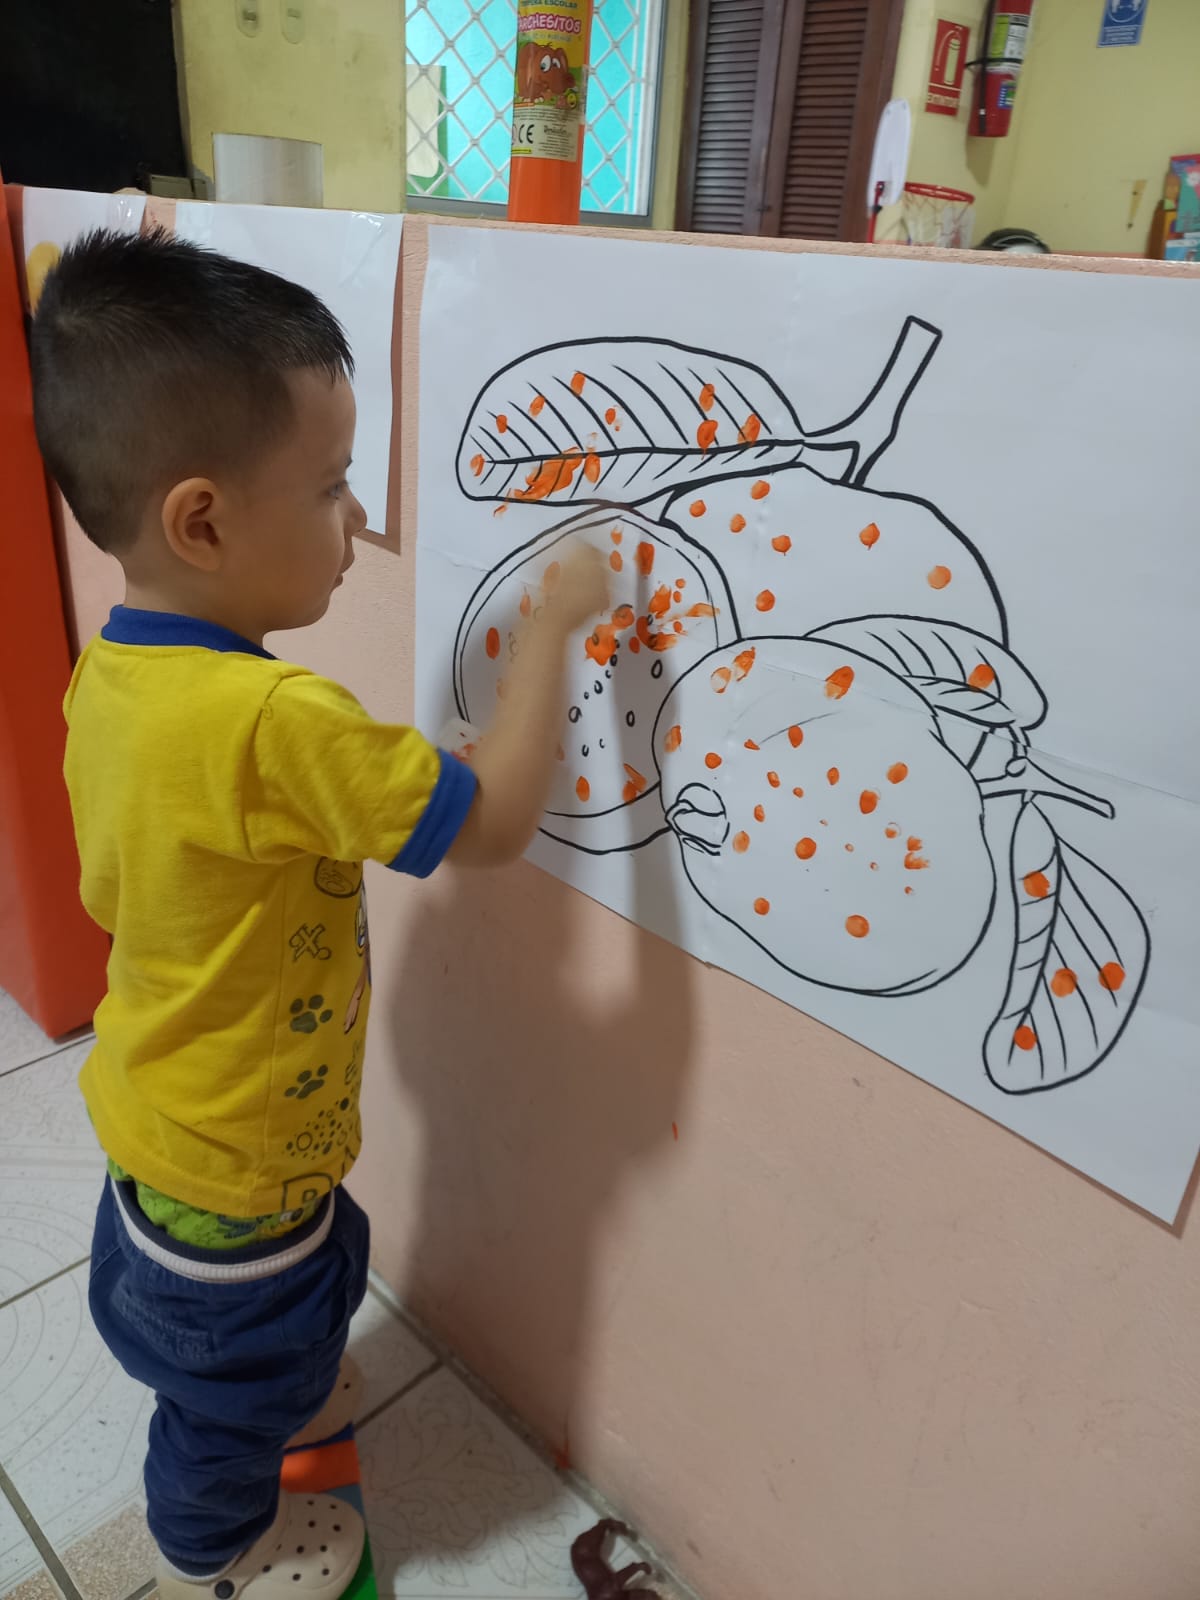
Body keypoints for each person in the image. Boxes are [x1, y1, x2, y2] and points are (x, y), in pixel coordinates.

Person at [30, 229, 609, 1600]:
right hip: (247, 1174)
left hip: (160, 1118)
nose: (355, 524)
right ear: (202, 522)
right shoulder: (279, 722)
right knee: (229, 1406)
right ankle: (213, 1549)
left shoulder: (113, 673)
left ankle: (254, 1377)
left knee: (268, 1307)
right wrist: (552, 634)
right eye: (335, 486)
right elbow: (494, 821)